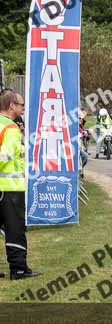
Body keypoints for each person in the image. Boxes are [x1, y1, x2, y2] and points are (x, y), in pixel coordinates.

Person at [0, 92, 40, 280]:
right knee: (15, 230)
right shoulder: (10, 128)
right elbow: (5, 156)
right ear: (11, 106)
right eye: (21, 104)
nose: (23, 108)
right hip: (11, 188)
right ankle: (19, 269)